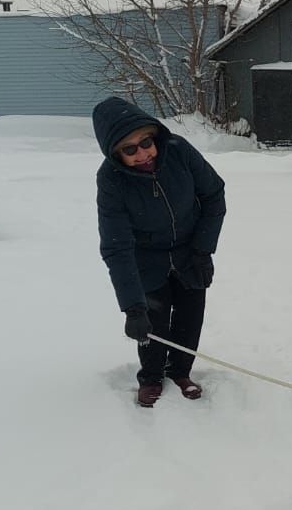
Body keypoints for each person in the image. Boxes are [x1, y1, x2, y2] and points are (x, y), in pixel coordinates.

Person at [93, 96, 227, 408]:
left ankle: (180, 371)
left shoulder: (178, 151)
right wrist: (132, 308)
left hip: (189, 251)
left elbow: (213, 194)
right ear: (115, 154)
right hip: (146, 258)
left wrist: (202, 250)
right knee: (153, 321)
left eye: (146, 142)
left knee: (191, 315)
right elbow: (116, 246)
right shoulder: (111, 180)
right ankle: (151, 376)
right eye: (130, 149)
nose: (143, 153)